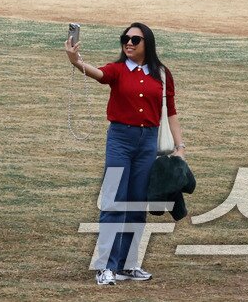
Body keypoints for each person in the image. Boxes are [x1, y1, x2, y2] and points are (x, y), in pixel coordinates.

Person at [65, 21, 185, 287]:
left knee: (137, 204)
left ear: (147, 44)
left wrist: (181, 148)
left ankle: (127, 265)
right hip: (120, 140)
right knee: (113, 201)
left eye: (135, 40)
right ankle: (106, 266)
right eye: (125, 38)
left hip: (148, 144)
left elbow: (171, 112)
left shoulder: (162, 75)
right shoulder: (117, 70)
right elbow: (97, 73)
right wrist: (76, 61)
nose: (129, 43)